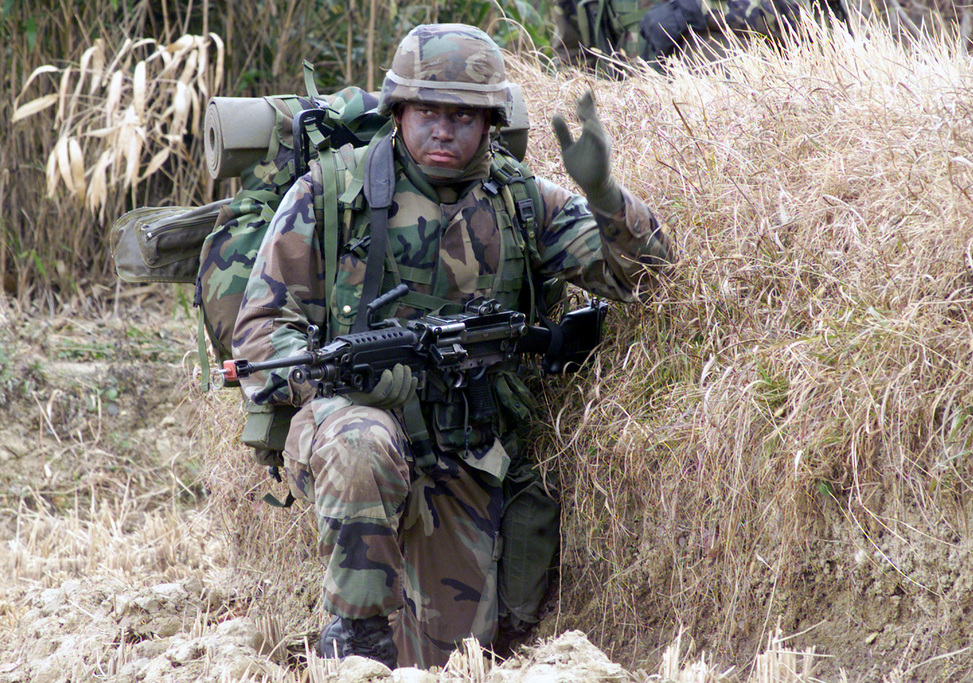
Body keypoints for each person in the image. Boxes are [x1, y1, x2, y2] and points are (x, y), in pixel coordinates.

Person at [232, 23, 673, 669]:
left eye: (464, 116)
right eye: (429, 112)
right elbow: (263, 328)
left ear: (490, 122)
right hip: (348, 423)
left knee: (452, 657)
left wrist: (607, 198)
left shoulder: (523, 201)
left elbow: (644, 273)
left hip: (466, 446)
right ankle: (353, 633)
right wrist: (343, 382)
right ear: (400, 113)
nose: (445, 130)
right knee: (362, 442)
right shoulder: (331, 193)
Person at [552, 0, 850, 72]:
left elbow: (808, 16)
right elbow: (570, 59)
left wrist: (693, 10)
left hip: (744, 103)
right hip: (632, 121)